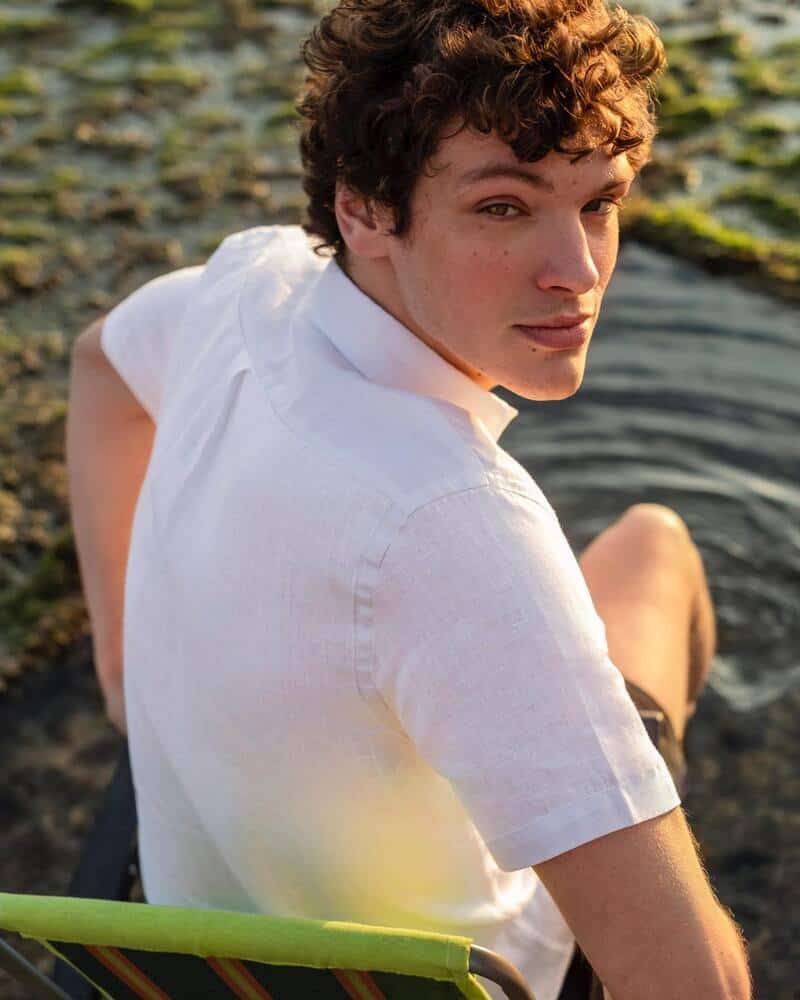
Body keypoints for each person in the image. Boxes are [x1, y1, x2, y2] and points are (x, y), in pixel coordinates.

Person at [66, 1, 753, 997]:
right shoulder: (453, 521)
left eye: (597, 202)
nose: (578, 272)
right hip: (466, 978)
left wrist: (121, 660)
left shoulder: (246, 290)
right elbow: (693, 981)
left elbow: (100, 364)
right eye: (503, 207)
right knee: (655, 545)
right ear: (363, 210)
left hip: (212, 958)